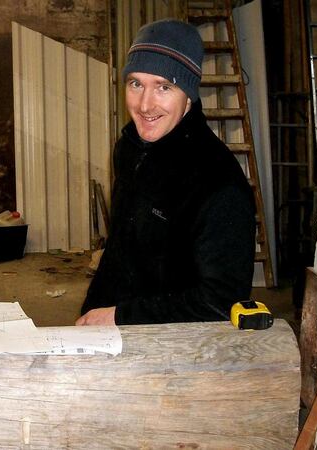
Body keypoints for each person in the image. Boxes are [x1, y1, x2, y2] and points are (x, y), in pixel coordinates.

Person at [76, 19, 256, 326]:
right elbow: (120, 249)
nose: (145, 105)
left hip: (178, 349)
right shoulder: (129, 149)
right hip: (116, 332)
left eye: (164, 86)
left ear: (189, 95)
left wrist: (120, 316)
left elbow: (221, 301)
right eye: (136, 84)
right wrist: (92, 311)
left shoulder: (218, 182)